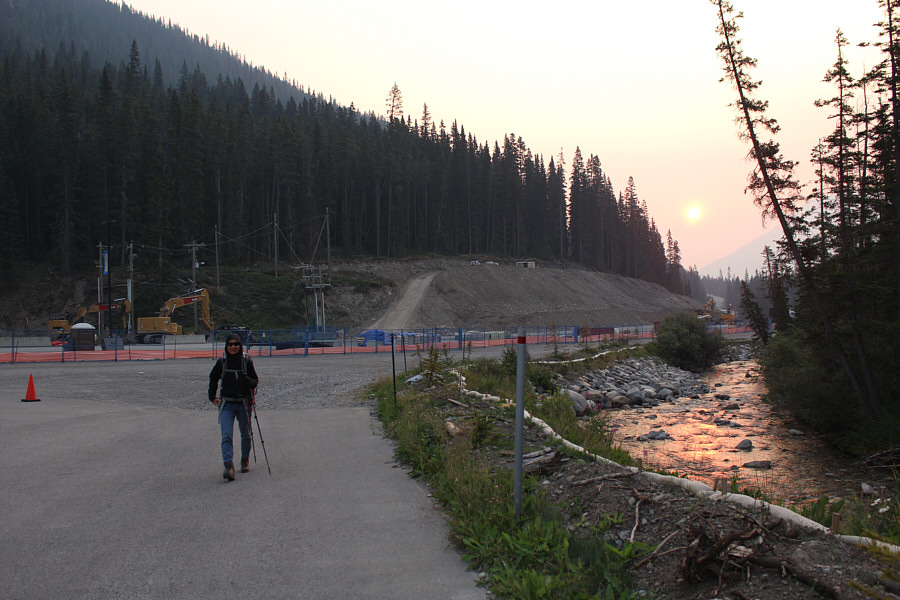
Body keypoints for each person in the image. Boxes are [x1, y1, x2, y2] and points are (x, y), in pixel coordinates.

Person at [208, 333, 259, 481]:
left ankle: (244, 459)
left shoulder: (247, 363)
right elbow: (213, 379)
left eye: (236, 344)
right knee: (226, 435)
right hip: (227, 404)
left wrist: (248, 380)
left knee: (246, 434)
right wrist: (212, 398)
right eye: (230, 344)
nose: (233, 347)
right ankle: (229, 466)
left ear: (240, 345)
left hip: (243, 403)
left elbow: (255, 381)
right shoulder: (222, 363)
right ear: (226, 346)